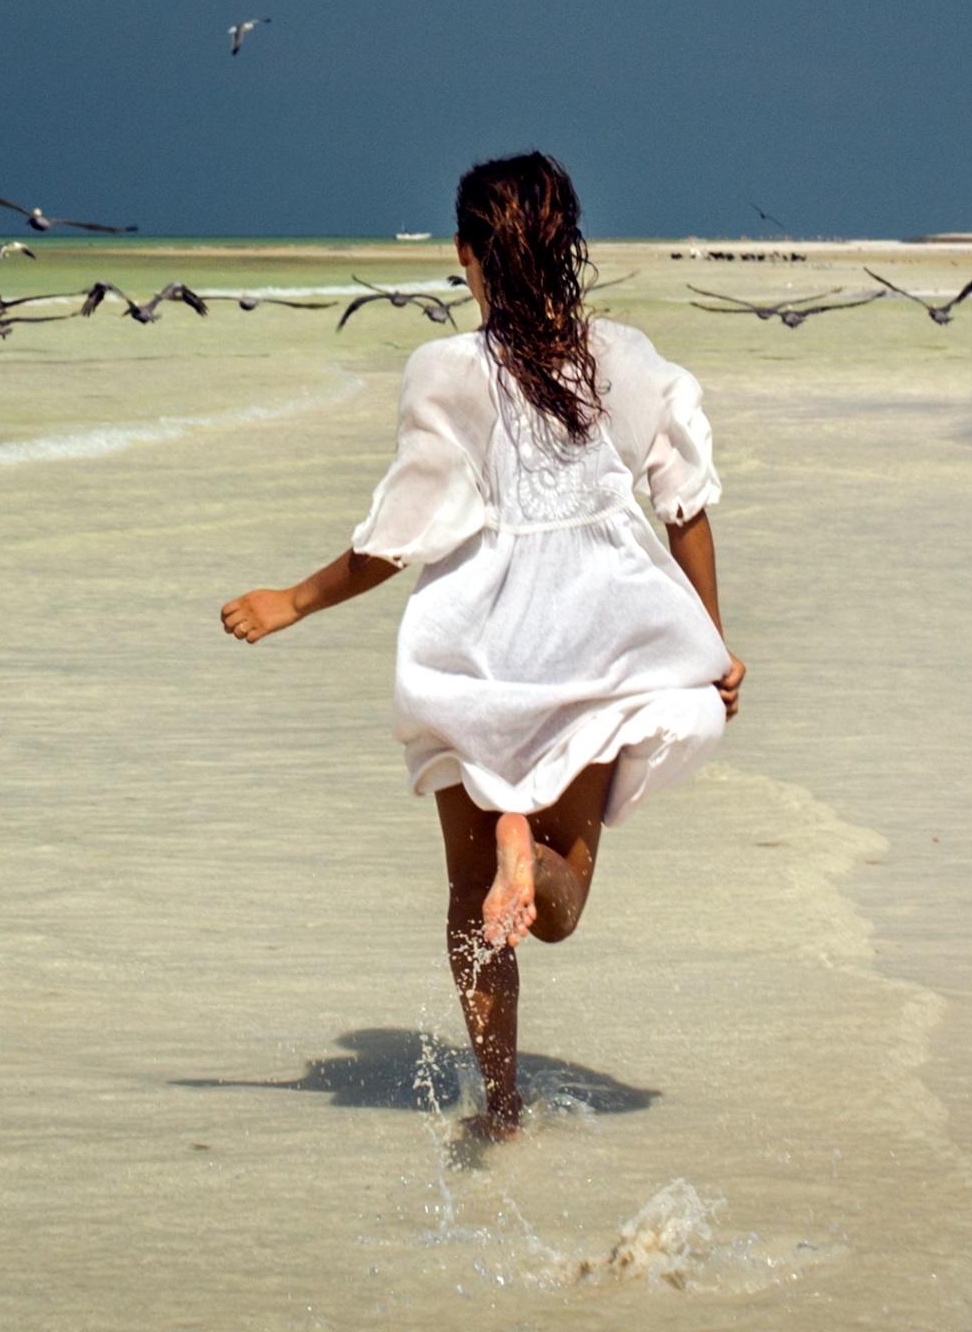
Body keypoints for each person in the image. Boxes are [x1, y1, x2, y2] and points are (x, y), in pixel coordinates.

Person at [219, 152, 743, 1135]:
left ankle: (500, 1106)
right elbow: (687, 507)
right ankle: (528, 849)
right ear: (568, 241)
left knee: (470, 902)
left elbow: (399, 535)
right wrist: (710, 644)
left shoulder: (445, 373)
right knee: (564, 900)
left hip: (478, 645)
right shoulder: (629, 360)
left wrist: (291, 600)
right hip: (601, 640)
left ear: (467, 256)